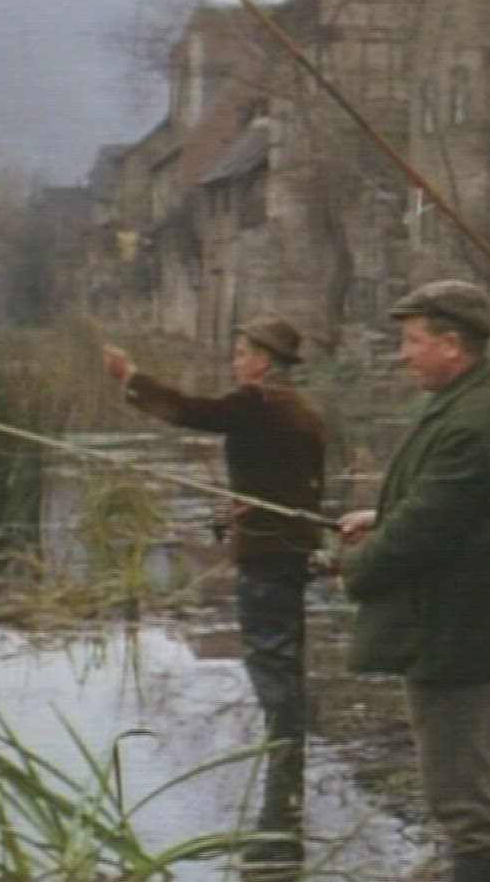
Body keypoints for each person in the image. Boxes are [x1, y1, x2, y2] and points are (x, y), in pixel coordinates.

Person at [103, 313, 325, 875]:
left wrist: (131, 379)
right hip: (287, 553)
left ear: (266, 361)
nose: (235, 361)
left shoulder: (260, 402)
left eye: (243, 353)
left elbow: (191, 412)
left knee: (273, 670)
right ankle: (286, 800)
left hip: (269, 561)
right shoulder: (298, 408)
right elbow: (296, 485)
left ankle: (280, 806)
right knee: (284, 667)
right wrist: (246, 510)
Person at [337, 280, 490, 882]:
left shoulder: (474, 422)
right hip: (458, 631)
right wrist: (382, 515)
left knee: (468, 806)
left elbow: (421, 533)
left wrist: (351, 569)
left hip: (457, 640)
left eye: (412, 341)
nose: (403, 355)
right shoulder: (470, 406)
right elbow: (443, 507)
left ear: (452, 345)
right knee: (475, 795)